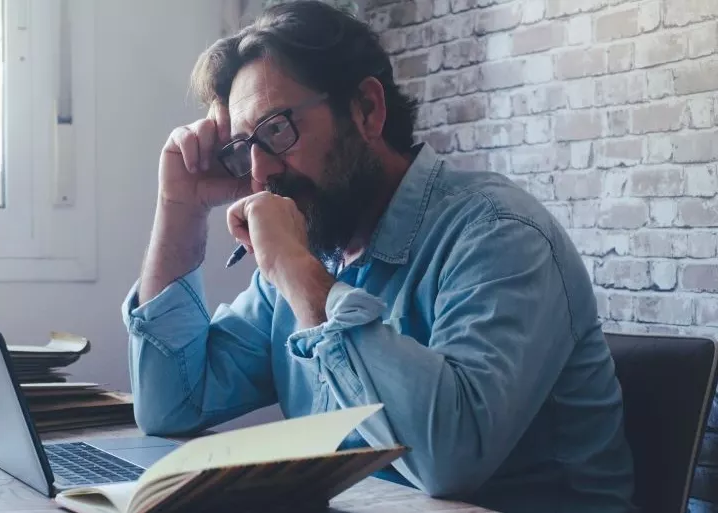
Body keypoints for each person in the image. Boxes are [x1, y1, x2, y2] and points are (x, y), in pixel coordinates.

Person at [121, 1, 635, 511]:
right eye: (243, 148)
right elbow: (171, 405)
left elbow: (448, 461)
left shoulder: (500, 235)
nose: (259, 173)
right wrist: (180, 207)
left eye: (277, 129)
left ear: (366, 109)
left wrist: (300, 277)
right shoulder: (316, 247)